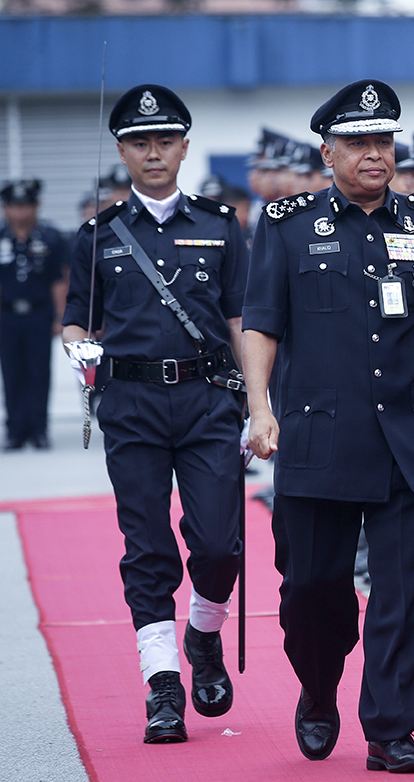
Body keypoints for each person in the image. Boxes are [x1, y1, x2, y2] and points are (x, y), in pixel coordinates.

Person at [242, 78, 414, 772]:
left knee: (405, 593)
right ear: (328, 151)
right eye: (358, 143)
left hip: (409, 437)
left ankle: (391, 728)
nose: (374, 154)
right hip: (316, 435)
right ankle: (318, 687)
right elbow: (261, 324)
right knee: (312, 589)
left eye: (383, 141)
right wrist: (260, 406)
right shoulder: (285, 224)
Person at [60, 84, 247, 743]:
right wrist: (82, 356)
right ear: (123, 150)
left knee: (220, 542)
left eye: (166, 139)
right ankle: (163, 684)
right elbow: (77, 319)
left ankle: (203, 635)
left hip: (206, 401)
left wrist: (260, 404)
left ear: (185, 147)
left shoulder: (221, 225)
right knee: (147, 546)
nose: (154, 151)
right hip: (132, 405)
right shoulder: (98, 233)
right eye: (141, 142)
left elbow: (240, 319)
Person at [1, 179, 68, 450]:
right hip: (6, 316)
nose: (20, 212)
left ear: (36, 206)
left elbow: (59, 280)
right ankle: (16, 430)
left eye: (25, 206)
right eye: (13, 206)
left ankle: (39, 429)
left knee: (39, 373)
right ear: (5, 209)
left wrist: (60, 316)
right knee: (12, 373)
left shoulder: (50, 237)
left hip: (39, 314)